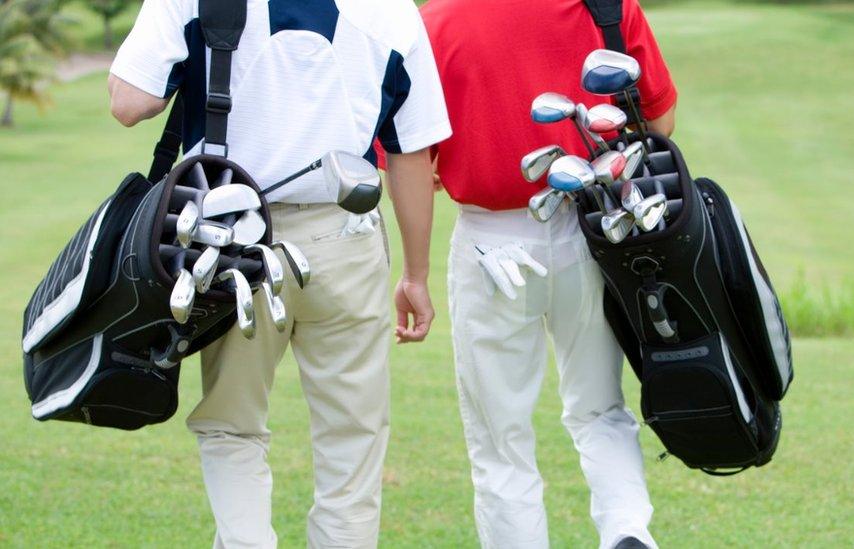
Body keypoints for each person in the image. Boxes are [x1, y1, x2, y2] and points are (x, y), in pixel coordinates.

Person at [108, 0, 451, 547]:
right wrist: (415, 273)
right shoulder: (391, 9)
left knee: (232, 425)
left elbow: (129, 102)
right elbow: (409, 150)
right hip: (346, 238)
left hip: (231, 246)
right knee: (353, 438)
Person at [417, 0, 677, 547]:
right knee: (599, 408)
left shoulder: (436, 19)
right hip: (597, 229)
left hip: (491, 242)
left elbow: (415, 154)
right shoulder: (609, 4)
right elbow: (659, 121)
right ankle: (627, 532)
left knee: (500, 442)